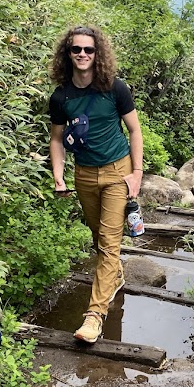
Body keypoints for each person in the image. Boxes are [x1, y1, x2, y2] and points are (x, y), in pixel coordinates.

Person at [49, 26, 143, 343]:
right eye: (77, 50)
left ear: (97, 53)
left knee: (108, 242)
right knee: (97, 234)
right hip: (85, 174)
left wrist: (137, 171)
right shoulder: (61, 96)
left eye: (89, 50)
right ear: (68, 54)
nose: (83, 55)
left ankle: (94, 316)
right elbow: (57, 139)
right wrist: (58, 174)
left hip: (118, 171)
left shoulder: (114, 89)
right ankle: (114, 276)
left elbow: (134, 131)